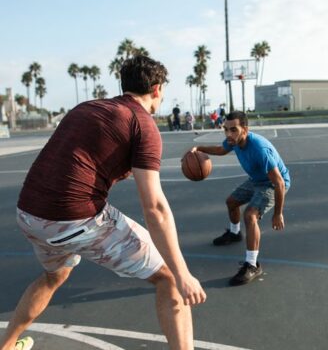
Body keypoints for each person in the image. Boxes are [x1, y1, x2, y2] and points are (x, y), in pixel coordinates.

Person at [0, 55, 206, 350]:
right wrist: (183, 273)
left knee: (53, 276)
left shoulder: (87, 107)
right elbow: (155, 208)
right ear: (157, 89)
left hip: (29, 214)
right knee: (170, 278)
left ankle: (5, 346)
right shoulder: (142, 124)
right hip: (72, 220)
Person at [191, 111, 290, 286]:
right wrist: (200, 149)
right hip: (257, 180)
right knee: (231, 201)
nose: (229, 134)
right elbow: (221, 150)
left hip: (271, 184)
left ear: (245, 129)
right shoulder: (233, 141)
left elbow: (280, 183)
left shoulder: (259, 149)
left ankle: (252, 264)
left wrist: (278, 213)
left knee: (250, 215)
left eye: (233, 130)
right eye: (226, 129)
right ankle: (234, 233)